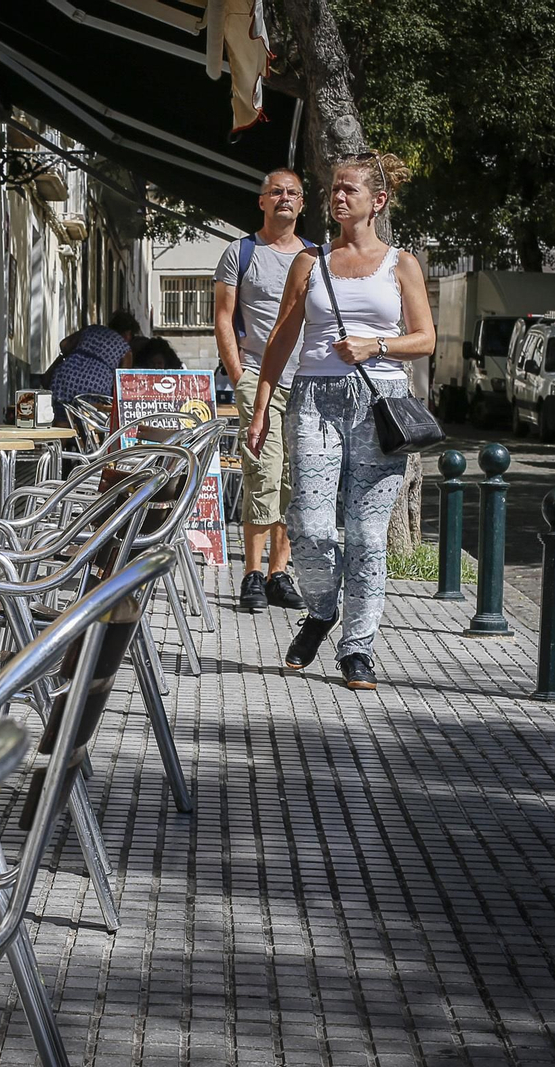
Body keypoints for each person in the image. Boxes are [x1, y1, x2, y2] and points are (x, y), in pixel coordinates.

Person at [244, 152, 435, 691]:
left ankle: (358, 649)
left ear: (378, 201)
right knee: (308, 523)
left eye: (349, 189)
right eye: (333, 189)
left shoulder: (401, 264)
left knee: (369, 536)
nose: (337, 196)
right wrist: (261, 408)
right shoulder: (311, 262)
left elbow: (425, 339)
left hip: (381, 404)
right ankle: (323, 608)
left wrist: (378, 344)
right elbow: (281, 338)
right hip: (313, 399)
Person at [214, 168, 313, 613]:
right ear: (262, 201)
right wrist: (240, 378)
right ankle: (252, 574)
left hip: (306, 380)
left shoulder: (315, 257)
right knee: (261, 474)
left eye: (292, 193)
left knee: (294, 480)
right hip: (258, 378)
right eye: (276, 192)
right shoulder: (241, 252)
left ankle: (279, 572)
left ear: (302, 203)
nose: (284, 199)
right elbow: (223, 317)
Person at [51, 315, 137, 406]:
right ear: (128, 333)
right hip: (96, 385)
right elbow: (123, 383)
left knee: (62, 413)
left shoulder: (92, 329)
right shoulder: (125, 349)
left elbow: (64, 344)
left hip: (66, 376)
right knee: (88, 417)